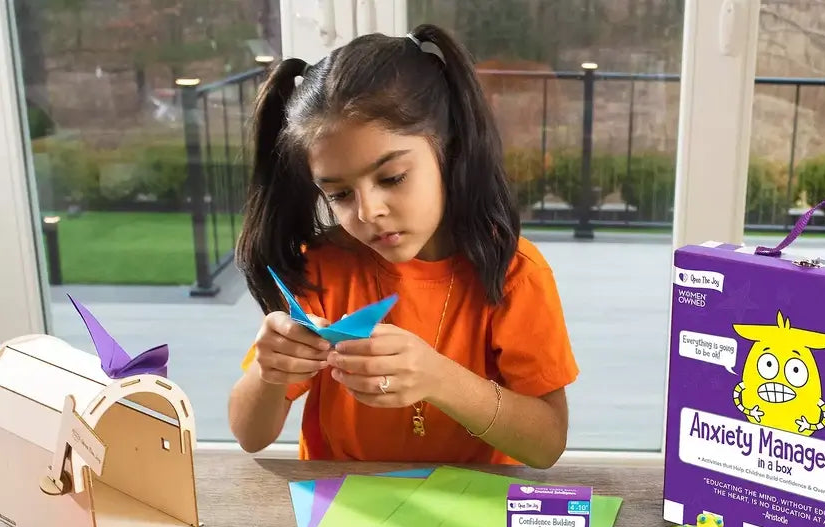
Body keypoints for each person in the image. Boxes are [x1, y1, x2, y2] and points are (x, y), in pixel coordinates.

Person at [229, 23, 579, 468]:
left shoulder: (513, 273)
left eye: (392, 178)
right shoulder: (322, 268)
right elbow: (249, 434)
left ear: (448, 148)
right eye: (338, 195)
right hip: (343, 509)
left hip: (471, 510)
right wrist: (269, 370)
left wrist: (439, 379)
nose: (368, 211)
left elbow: (546, 444)